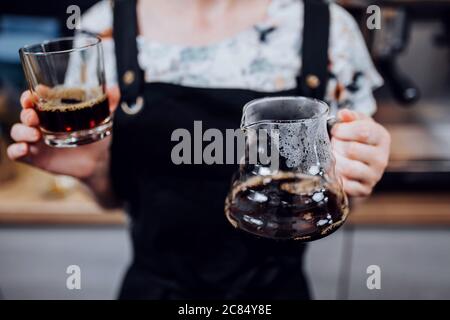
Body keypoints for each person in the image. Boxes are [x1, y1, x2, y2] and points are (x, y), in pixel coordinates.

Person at [8, 0, 390, 299]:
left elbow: (337, 198)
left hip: (276, 293)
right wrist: (92, 169)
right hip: (154, 290)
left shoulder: (329, 29)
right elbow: (113, 199)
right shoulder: (102, 31)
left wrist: (357, 171)